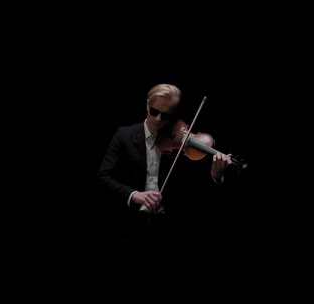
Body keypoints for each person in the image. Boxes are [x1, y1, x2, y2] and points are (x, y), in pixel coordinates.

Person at [96, 84, 233, 256]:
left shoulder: (182, 145)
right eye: (154, 111)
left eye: (166, 115)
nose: (159, 119)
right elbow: (103, 177)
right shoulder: (124, 135)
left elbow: (198, 190)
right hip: (129, 226)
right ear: (147, 105)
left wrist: (216, 175)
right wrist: (134, 195)